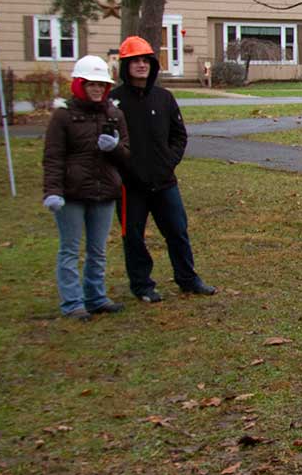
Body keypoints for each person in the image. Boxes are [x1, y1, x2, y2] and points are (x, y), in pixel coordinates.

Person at [112, 36, 215, 302]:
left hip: (164, 181)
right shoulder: (114, 102)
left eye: (145, 60)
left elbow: (179, 136)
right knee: (133, 236)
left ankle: (188, 279)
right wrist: (124, 169)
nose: (141, 65)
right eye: (134, 61)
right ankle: (142, 285)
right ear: (125, 66)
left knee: (178, 232)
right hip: (130, 186)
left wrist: (169, 162)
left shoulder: (164, 98)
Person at [42, 56, 131, 321]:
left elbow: (126, 154)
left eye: (101, 85)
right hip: (71, 193)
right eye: (91, 84)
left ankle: (95, 296)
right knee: (70, 249)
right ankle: (72, 303)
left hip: (104, 191)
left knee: (98, 249)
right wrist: (53, 191)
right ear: (80, 84)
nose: (96, 89)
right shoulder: (63, 116)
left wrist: (114, 148)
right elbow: (53, 156)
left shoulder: (114, 114)